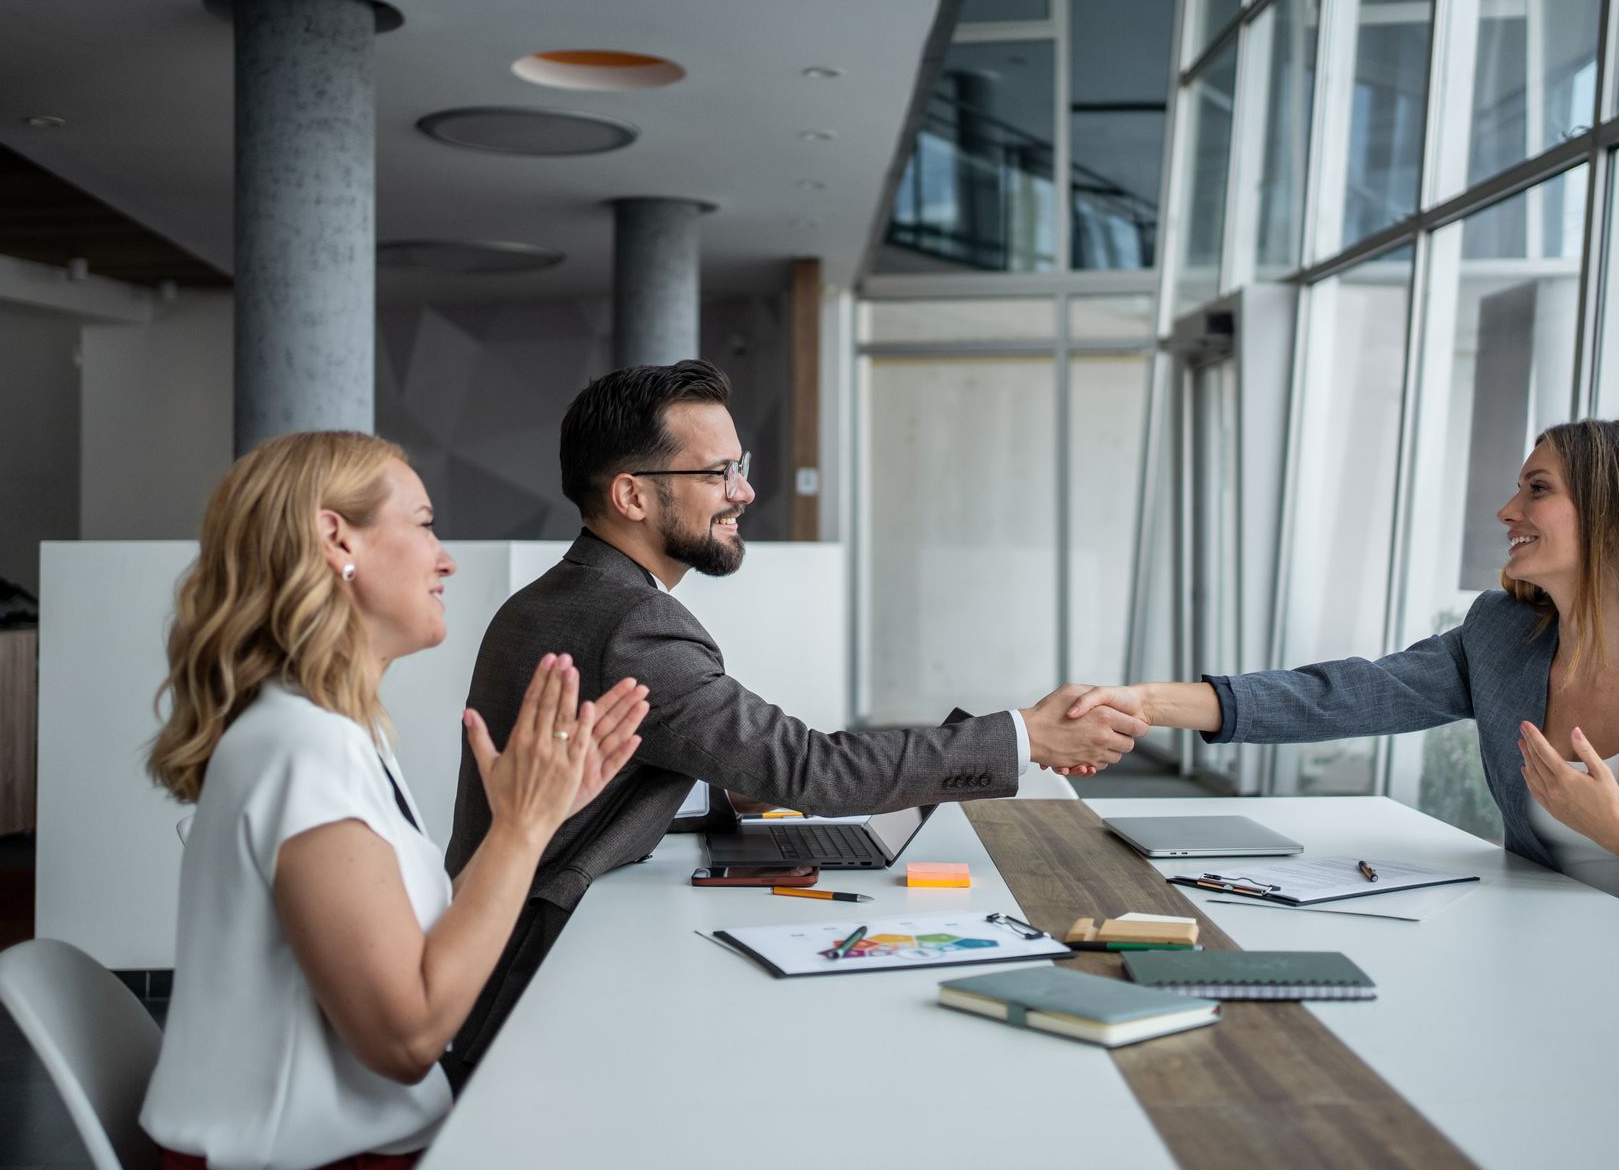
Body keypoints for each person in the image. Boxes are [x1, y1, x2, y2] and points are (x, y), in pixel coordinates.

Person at [443, 360, 1146, 1074]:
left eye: (738, 467)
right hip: (541, 977)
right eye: (718, 474)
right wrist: (1028, 734)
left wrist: (732, 783)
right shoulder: (634, 622)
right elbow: (818, 770)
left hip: (518, 947)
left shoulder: (557, 597)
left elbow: (610, 769)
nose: (743, 492)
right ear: (632, 495)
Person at [1065, 419, 1619, 965]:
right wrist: (1148, 704)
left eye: (1536, 490)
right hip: (1546, 970)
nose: (1508, 512)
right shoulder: (1504, 635)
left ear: (1613, 514)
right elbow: (1346, 694)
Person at [138, 432, 651, 1169]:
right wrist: (519, 830)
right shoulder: (301, 750)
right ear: (334, 537)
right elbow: (409, 1041)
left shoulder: (327, 732)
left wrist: (530, 823)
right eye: (422, 521)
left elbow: (423, 944)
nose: (445, 557)